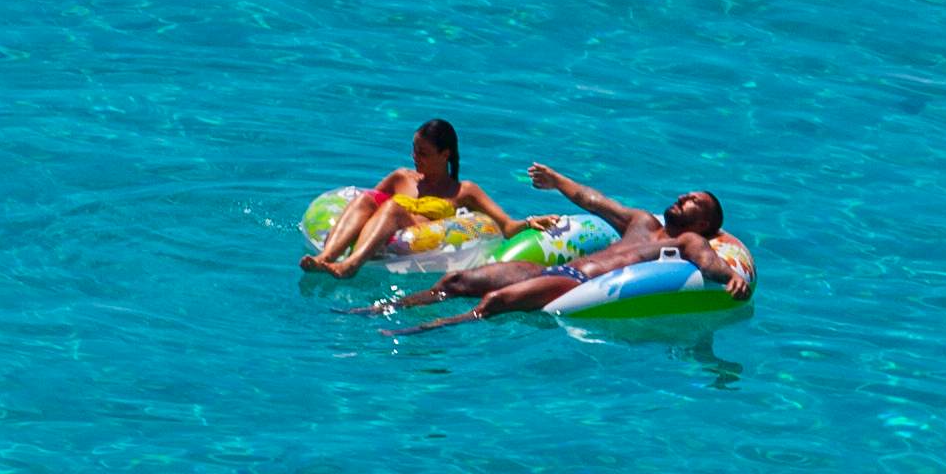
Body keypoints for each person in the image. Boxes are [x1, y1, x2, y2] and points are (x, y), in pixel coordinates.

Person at [376, 188, 752, 324]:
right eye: (685, 195)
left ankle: (420, 331)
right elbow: (594, 201)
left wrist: (730, 277)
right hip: (553, 268)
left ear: (704, 222)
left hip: (579, 284)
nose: (682, 199)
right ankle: (383, 309)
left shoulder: (690, 241)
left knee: (495, 301)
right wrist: (557, 181)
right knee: (455, 281)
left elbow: (709, 263)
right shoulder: (639, 221)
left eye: (693, 202)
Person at [307, 119, 530, 277]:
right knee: (367, 199)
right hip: (383, 232)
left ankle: (351, 265)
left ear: (445, 155)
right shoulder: (401, 177)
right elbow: (368, 207)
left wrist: (530, 223)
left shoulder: (463, 191)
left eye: (423, 153)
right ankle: (325, 257)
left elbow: (507, 225)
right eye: (414, 151)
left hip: (417, 236)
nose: (416, 158)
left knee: (393, 207)